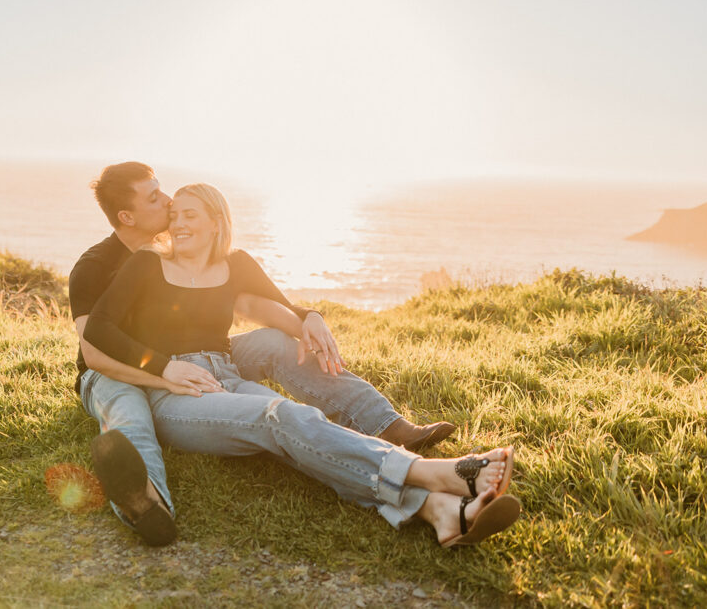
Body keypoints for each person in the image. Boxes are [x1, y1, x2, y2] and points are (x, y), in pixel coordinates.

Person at [83, 183, 521, 546]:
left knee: (295, 423)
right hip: (175, 392)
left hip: (227, 375)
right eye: (173, 215)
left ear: (217, 221)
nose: (177, 223)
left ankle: (437, 510)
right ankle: (435, 473)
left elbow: (283, 306)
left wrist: (311, 317)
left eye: (189, 215)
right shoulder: (147, 263)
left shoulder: (234, 264)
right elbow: (98, 329)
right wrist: (162, 368)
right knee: (277, 414)